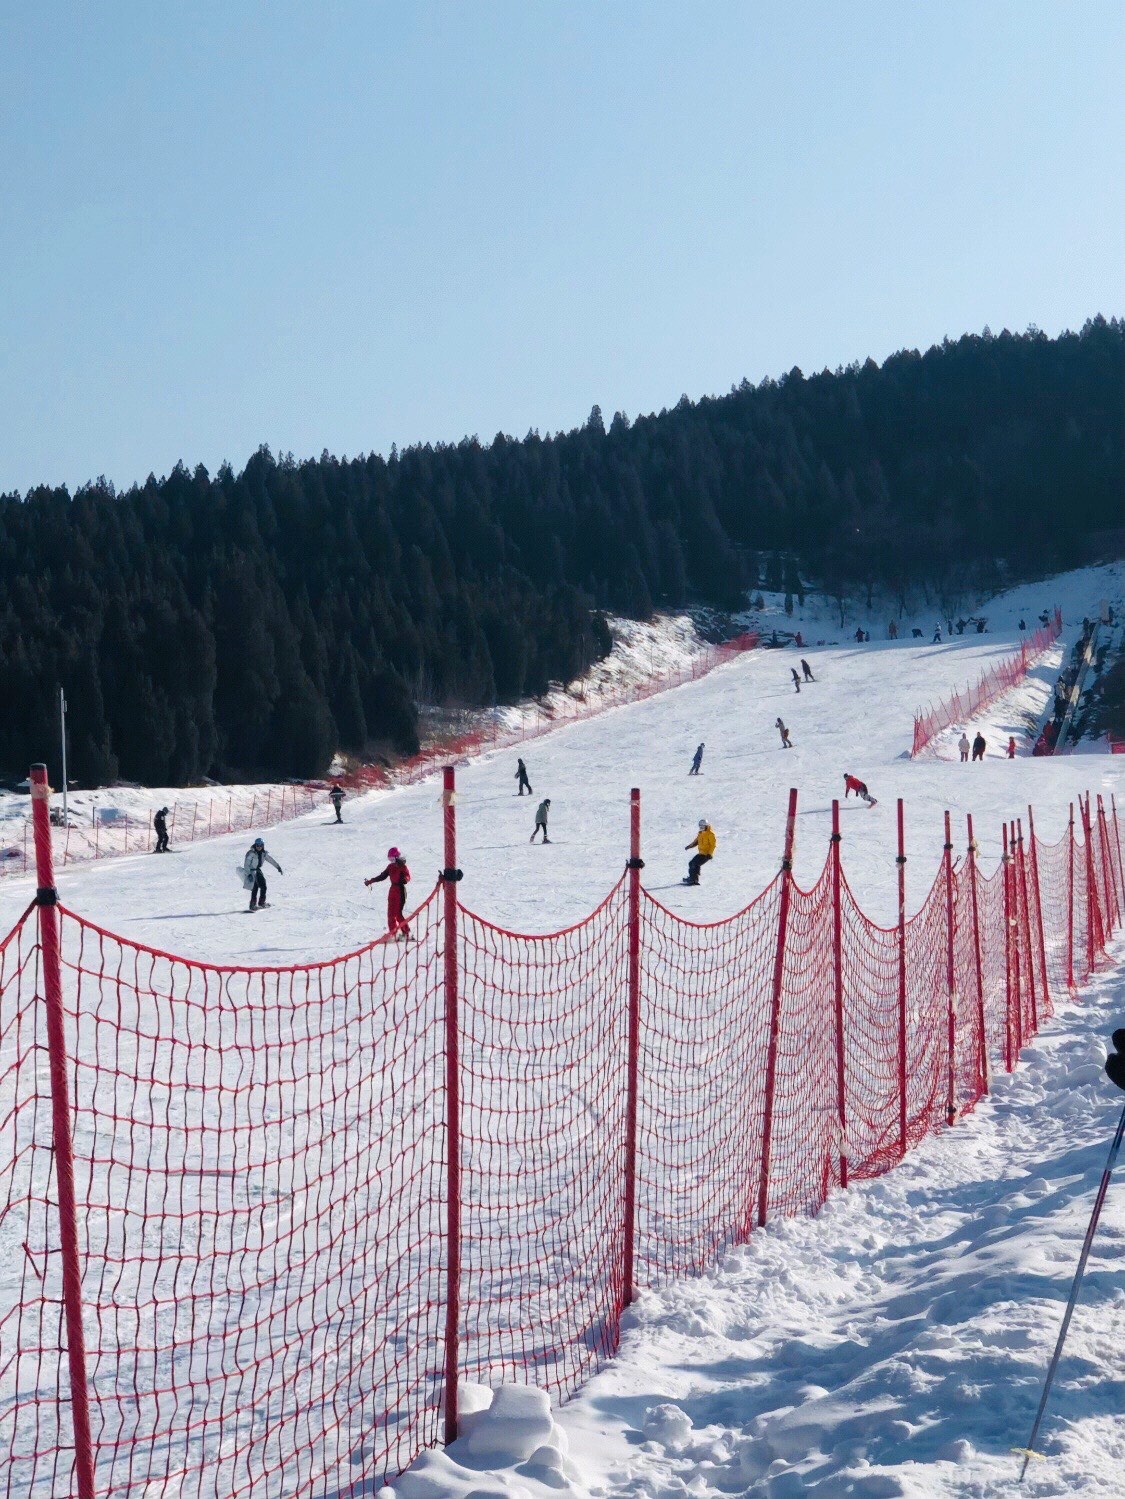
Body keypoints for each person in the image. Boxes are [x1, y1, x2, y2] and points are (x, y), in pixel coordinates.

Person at [365, 847, 412, 939]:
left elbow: (407, 876)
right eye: (389, 859)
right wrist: (371, 881)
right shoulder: (390, 867)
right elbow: (382, 876)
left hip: (400, 890)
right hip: (392, 890)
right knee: (390, 913)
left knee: (398, 913)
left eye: (392, 858)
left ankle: (406, 933)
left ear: (397, 857)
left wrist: (405, 879)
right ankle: (393, 934)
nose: (391, 861)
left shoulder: (402, 867)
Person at [243, 838, 282, 911]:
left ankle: (261, 902)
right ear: (255, 845)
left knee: (263, 885)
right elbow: (246, 864)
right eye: (257, 845)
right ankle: (253, 905)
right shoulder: (251, 853)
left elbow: (270, 860)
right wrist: (248, 874)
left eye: (260, 845)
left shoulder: (264, 853)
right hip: (251, 871)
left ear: (263, 845)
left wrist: (278, 867)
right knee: (255, 887)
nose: (259, 847)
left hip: (257, 870)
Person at [684, 819, 716, 885]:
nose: (701, 828)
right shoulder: (700, 833)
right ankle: (693, 878)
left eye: (703, 827)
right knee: (691, 863)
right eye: (700, 827)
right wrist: (689, 846)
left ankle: (693, 879)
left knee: (695, 864)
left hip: (706, 854)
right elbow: (696, 841)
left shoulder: (710, 834)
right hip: (701, 853)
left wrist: (710, 854)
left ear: (706, 826)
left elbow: (713, 845)